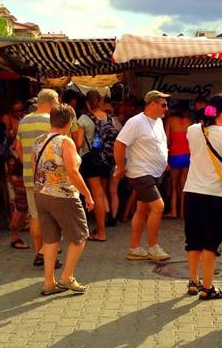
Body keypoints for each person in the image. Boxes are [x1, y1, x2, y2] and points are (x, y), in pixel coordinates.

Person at [32, 104, 94, 295]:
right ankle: (67, 277)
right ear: (70, 122)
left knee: (50, 240)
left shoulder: (38, 140)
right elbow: (72, 171)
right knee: (80, 236)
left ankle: (49, 282)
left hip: (41, 194)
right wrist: (87, 194)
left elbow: (35, 166)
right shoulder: (65, 142)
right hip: (63, 194)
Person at [183, 94, 222, 300]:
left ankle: (192, 281)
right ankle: (207, 287)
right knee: (210, 243)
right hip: (214, 195)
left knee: (193, 240)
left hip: (191, 191)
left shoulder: (192, 130)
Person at [114, 90, 172, 262]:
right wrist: (121, 167)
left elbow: (159, 143)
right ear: (152, 104)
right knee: (158, 207)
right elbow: (119, 144)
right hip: (140, 172)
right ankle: (153, 247)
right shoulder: (135, 122)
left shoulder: (158, 121)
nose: (166, 108)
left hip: (154, 172)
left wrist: (164, 160)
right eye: (163, 105)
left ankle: (134, 248)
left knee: (142, 209)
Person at [17, 89, 60, 266]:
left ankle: (39, 252)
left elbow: (18, 148)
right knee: (52, 218)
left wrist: (28, 165)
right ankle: (50, 255)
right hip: (51, 177)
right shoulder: (53, 122)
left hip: (30, 176)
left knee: (35, 216)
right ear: (52, 103)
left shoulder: (23, 121)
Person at [77, 90, 119, 241]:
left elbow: (80, 143)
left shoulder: (83, 119)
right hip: (107, 158)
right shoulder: (110, 119)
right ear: (100, 102)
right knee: (102, 191)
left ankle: (101, 232)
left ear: (87, 103)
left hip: (91, 158)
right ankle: (100, 229)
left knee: (97, 194)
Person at [164, 104, 192, 219]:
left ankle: (174, 211)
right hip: (188, 155)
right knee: (184, 184)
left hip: (175, 154)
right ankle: (182, 212)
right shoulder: (190, 122)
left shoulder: (170, 121)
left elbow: (166, 139)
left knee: (174, 185)